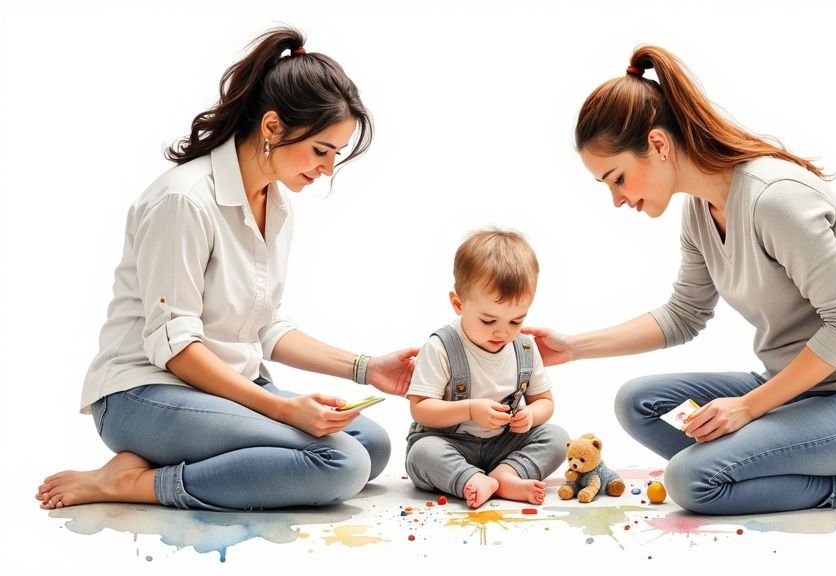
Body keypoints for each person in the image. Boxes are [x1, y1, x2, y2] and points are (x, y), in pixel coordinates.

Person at [524, 45, 836, 515]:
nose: (617, 199)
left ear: (658, 146)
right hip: (798, 387)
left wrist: (749, 408)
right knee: (637, 403)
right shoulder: (700, 214)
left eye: (617, 178)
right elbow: (684, 316)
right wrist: (574, 347)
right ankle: (772, 459)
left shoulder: (774, 198)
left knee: (692, 480)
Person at [35, 27, 417, 512]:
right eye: (321, 150)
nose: (327, 170)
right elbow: (174, 348)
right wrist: (281, 408)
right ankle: (128, 483)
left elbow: (266, 328)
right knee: (341, 463)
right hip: (145, 393)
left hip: (225, 389)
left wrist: (367, 368)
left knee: (373, 445)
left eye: (334, 156)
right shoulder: (185, 200)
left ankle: (186, 463)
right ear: (273, 127)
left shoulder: (274, 203)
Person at [405, 228, 569, 508]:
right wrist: (469, 410)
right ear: (458, 303)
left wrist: (530, 414)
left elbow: (544, 402)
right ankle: (469, 478)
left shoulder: (526, 347)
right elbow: (420, 408)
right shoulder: (441, 347)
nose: (503, 333)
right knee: (421, 453)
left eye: (516, 321)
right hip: (450, 443)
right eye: (488, 321)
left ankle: (506, 475)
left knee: (556, 438)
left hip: (503, 445)